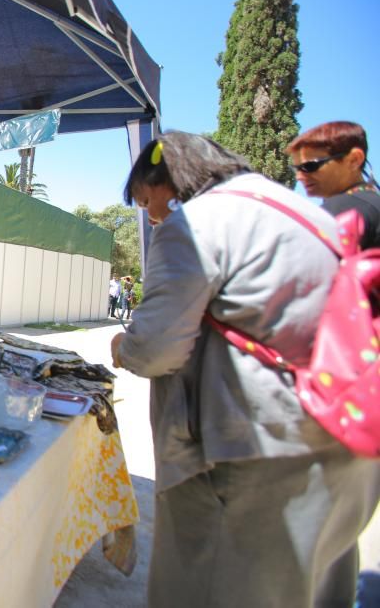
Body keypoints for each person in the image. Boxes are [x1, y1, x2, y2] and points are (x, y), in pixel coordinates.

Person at [109, 132, 380, 607]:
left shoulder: (197, 222)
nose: (151, 217)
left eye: (148, 201)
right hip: (343, 450)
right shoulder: (303, 213)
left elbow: (154, 350)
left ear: (167, 180)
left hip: (251, 461)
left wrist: (122, 345)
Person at [287, 120, 380, 249]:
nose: (299, 176)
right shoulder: (372, 204)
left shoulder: (342, 209)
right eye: (295, 169)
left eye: (309, 166)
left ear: (354, 160)